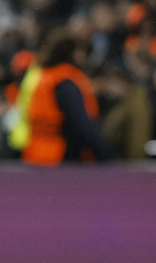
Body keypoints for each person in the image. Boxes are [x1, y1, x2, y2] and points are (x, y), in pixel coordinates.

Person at [21, 29, 114, 165]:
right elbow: (82, 123)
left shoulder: (43, 75)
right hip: (61, 155)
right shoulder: (65, 80)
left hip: (36, 152)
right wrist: (107, 156)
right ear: (71, 52)